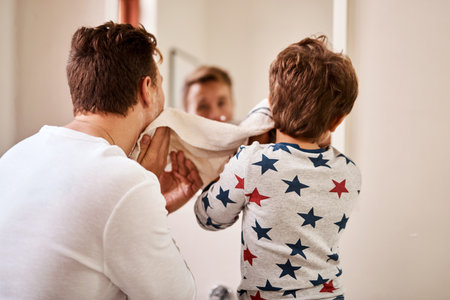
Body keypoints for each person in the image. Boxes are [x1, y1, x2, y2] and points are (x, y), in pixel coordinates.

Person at [0, 22, 203, 299]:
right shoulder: (125, 182)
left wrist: (156, 207)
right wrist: (146, 189)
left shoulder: (15, 156)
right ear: (147, 89)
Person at [194, 36, 360, 299]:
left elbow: (208, 217)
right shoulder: (349, 173)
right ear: (338, 121)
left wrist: (221, 170)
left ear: (271, 102)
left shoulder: (252, 161)